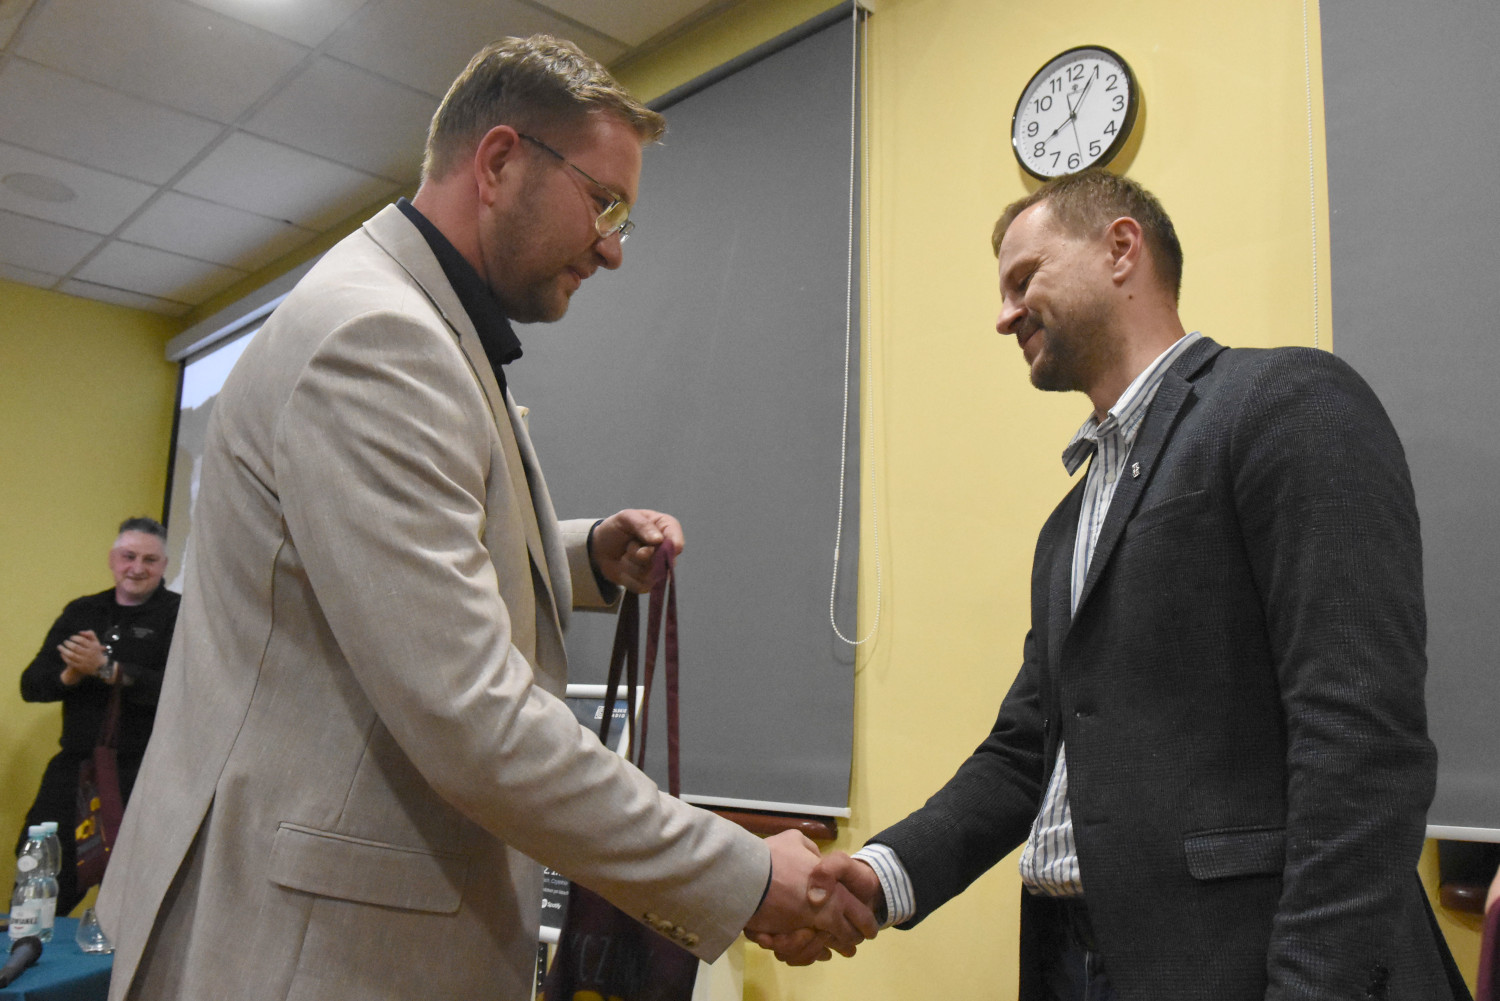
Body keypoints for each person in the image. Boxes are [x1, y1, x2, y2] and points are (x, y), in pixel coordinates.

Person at [95, 34, 872, 1001]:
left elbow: (376, 558)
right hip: (304, 955)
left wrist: (583, 555)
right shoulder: (378, 337)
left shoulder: (415, 318)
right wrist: (746, 873)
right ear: (500, 162)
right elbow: (473, 715)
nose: (614, 248)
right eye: (605, 203)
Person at [764, 170, 1470, 999]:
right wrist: (880, 875)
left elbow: (1360, 739)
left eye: (1024, 278)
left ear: (1121, 248)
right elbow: (1024, 753)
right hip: (1071, 960)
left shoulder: (1285, 402)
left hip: (1250, 966)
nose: (1003, 316)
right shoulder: (1066, 526)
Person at [17, 517, 179, 916]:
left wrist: (109, 669)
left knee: (131, 904)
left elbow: (184, 691)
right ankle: (26, 951)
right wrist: (71, 674)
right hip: (73, 770)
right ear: (112, 559)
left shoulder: (181, 615)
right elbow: (31, 685)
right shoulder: (82, 611)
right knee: (35, 888)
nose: (137, 568)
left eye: (149, 560)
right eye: (128, 556)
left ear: (164, 566)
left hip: (141, 775)